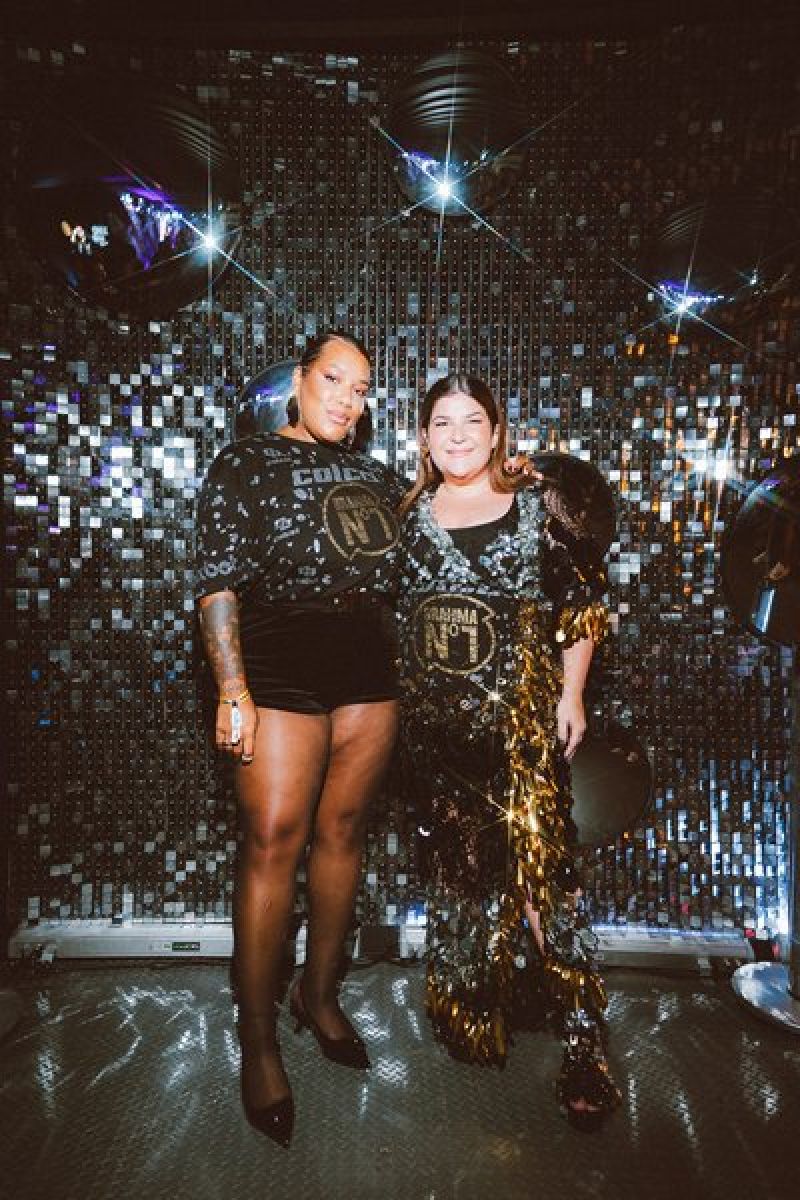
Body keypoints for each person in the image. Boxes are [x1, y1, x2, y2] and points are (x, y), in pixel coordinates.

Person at [194, 332, 404, 1147]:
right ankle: (256, 1038)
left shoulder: (378, 477)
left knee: (343, 834)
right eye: (334, 380)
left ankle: (317, 996)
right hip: (278, 659)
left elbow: (422, 545)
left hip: (367, 665)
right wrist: (232, 689)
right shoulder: (244, 461)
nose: (347, 399)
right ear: (300, 381)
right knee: (273, 840)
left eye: (361, 388)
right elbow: (216, 581)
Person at [396, 373, 621, 1128]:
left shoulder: (534, 507)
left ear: (496, 431)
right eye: (442, 423)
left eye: (472, 421)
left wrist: (572, 694)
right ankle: (477, 1003)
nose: (458, 435)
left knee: (542, 877)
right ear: (424, 437)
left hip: (521, 731)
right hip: (440, 741)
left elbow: (581, 603)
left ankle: (583, 1035)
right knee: (460, 872)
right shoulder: (408, 517)